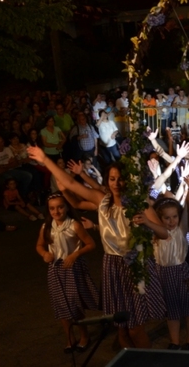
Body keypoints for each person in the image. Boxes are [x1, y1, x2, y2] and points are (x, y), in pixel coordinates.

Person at [28, 146, 166, 349]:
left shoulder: (140, 204)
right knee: (121, 324)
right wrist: (44, 159)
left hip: (136, 266)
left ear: (128, 180)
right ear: (107, 181)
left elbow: (164, 233)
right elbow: (69, 183)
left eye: (120, 178)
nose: (116, 183)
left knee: (135, 327)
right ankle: (127, 358)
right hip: (112, 265)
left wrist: (147, 222)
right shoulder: (102, 200)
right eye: (112, 179)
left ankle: (146, 359)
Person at [35, 192, 98, 353]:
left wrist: (76, 254)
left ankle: (84, 335)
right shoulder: (46, 227)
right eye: (52, 208)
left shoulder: (74, 225)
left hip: (72, 268)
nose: (56, 212)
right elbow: (40, 245)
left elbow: (91, 244)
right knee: (60, 304)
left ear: (66, 208)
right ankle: (69, 337)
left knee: (73, 303)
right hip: (55, 269)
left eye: (60, 207)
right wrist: (44, 254)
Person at [148, 197, 189, 350]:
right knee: (172, 310)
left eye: (174, 216)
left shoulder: (181, 229)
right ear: (160, 218)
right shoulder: (156, 234)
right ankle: (174, 341)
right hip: (163, 274)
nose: (171, 221)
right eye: (167, 218)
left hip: (181, 273)